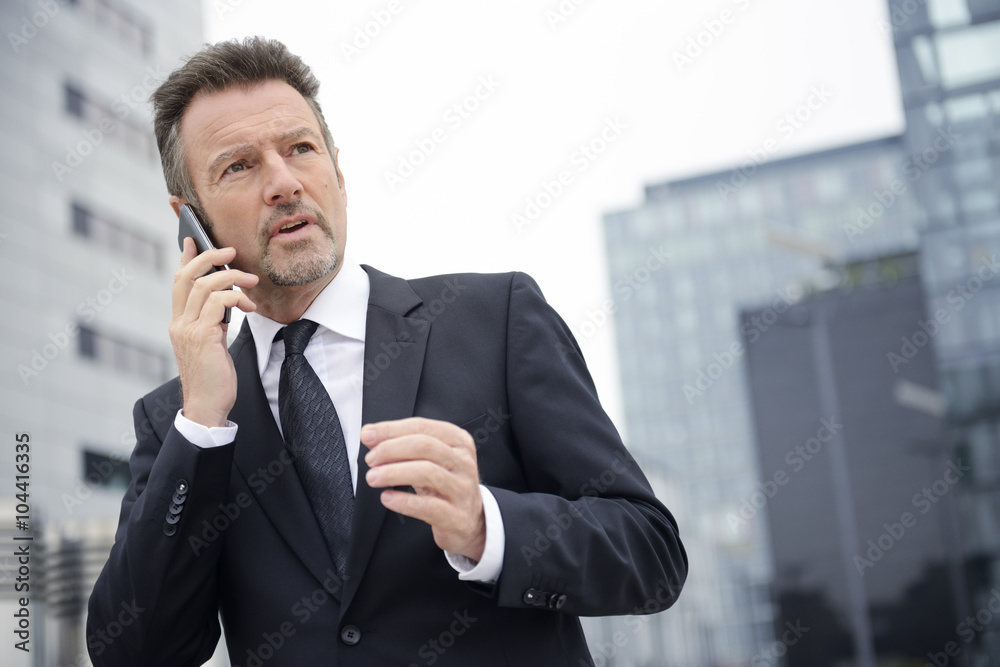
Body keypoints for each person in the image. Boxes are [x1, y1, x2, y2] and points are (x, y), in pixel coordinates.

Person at [87, 36, 686, 667]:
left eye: (300, 149)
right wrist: (203, 424)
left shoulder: (496, 321)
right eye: (238, 166)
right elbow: (133, 652)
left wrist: (489, 526)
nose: (285, 183)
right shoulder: (178, 423)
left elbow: (651, 554)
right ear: (191, 222)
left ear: (338, 175)